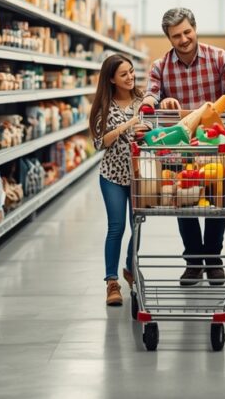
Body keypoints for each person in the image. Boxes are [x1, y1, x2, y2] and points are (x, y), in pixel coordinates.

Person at [140, 7, 225, 287]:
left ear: (195, 28)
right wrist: (158, 102)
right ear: (169, 38)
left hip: (215, 142)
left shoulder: (219, 58)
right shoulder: (160, 67)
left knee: (217, 200)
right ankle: (193, 260)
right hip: (179, 146)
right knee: (182, 200)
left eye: (187, 32)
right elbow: (150, 94)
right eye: (176, 36)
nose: (184, 39)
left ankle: (212, 259)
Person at [89, 53, 149, 307]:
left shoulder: (143, 101)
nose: (130, 77)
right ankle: (111, 282)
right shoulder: (104, 105)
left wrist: (146, 131)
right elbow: (100, 142)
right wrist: (128, 125)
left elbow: (154, 134)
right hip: (112, 175)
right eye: (123, 74)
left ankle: (129, 267)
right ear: (111, 79)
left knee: (138, 226)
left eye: (132, 72)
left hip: (140, 175)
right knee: (116, 228)